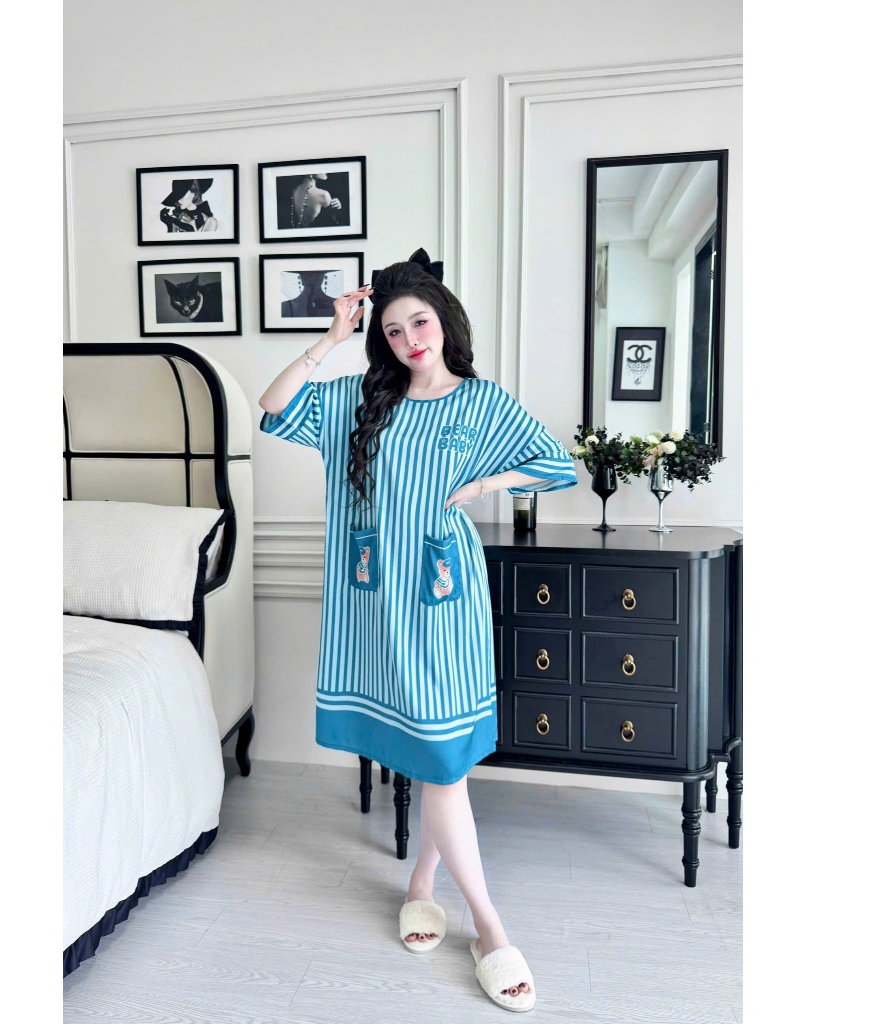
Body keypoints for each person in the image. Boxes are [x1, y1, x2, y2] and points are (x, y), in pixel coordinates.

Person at [258, 248, 577, 1012]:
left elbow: (557, 464)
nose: (409, 340)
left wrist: (489, 481)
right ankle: (424, 885)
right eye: (394, 331)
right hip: (379, 606)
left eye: (420, 323)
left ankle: (488, 927)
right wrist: (331, 337)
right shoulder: (362, 400)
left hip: (444, 603)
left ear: (445, 321)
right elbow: (273, 408)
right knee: (440, 761)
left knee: (442, 756)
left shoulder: (482, 402)